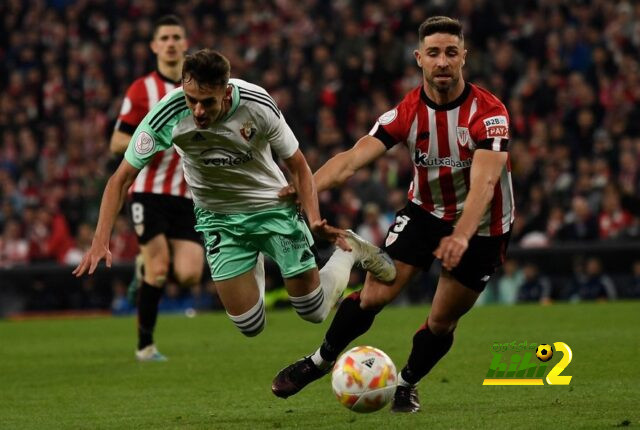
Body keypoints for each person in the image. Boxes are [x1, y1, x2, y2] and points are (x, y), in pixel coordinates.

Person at [271, 16, 514, 413]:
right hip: (424, 215)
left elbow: (486, 187)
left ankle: (407, 383)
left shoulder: (489, 113)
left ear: (464, 57)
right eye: (433, 53)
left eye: (451, 53)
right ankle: (318, 361)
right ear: (419, 58)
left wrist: (461, 236)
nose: (442, 62)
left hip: (483, 228)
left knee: (441, 322)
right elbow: (352, 159)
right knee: (373, 295)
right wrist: (307, 186)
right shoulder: (407, 111)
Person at [74, 49, 396, 346]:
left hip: (271, 207)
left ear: (226, 92)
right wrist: (101, 239)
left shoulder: (257, 104)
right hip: (218, 218)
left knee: (311, 310)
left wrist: (312, 219)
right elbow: (121, 179)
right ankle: (251, 253)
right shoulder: (168, 113)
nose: (198, 110)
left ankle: (350, 249)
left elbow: (298, 166)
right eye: (191, 99)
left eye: (207, 102)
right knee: (250, 325)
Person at [109, 15, 205, 362]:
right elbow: (116, 142)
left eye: (176, 37)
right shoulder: (142, 90)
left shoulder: (199, 87)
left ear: (185, 44)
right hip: (148, 192)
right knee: (160, 267)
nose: (169, 42)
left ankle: (143, 268)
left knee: (191, 273)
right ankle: (145, 346)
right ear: (154, 46)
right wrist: (153, 139)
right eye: (163, 37)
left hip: (188, 194)